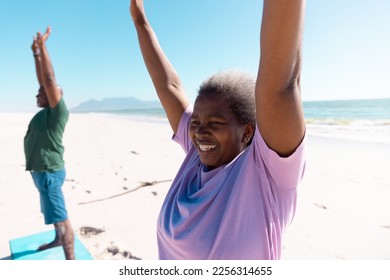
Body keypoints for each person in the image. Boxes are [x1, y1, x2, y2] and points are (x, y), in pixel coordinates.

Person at [130, 0, 306, 259]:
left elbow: (279, 86)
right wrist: (139, 20)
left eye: (214, 123)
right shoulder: (195, 155)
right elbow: (169, 85)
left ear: (247, 132)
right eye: (197, 122)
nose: (200, 132)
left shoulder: (268, 174)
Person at [24, 27, 75, 260]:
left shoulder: (57, 112)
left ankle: (71, 262)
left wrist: (43, 46)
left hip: (50, 173)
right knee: (54, 214)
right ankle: (57, 240)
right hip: (41, 172)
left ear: (53, 96)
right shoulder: (46, 113)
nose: (37, 94)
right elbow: (44, 81)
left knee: (62, 216)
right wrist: (35, 54)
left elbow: (48, 79)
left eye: (41, 92)